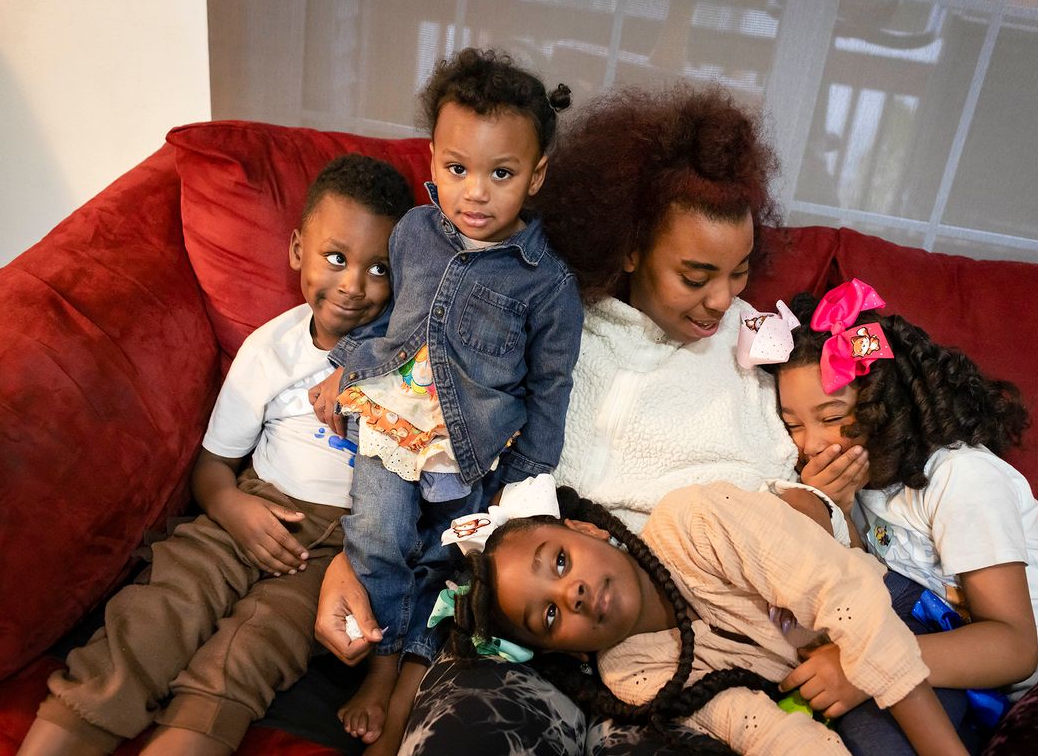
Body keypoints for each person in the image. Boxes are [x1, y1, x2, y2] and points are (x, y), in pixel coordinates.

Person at [315, 83, 845, 754]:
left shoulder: (751, 347)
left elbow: (805, 496)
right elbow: (438, 457)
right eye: (696, 274)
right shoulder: (551, 318)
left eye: (739, 273)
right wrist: (355, 564)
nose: (722, 300)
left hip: (692, 650)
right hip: (536, 634)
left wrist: (821, 512)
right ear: (630, 248)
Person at [17, 154, 412, 756]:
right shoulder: (270, 349)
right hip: (251, 508)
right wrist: (231, 508)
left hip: (336, 551)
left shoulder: (404, 360)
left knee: (252, 651)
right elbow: (212, 466)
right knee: (156, 613)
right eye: (336, 257)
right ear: (296, 250)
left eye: (378, 268)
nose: (354, 285)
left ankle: (187, 737)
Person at [307, 47, 585, 752]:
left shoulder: (547, 285)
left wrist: (529, 483)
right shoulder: (411, 234)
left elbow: (551, 387)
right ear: (431, 159)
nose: (476, 193)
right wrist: (346, 366)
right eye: (458, 169)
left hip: (474, 449)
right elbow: (390, 323)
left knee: (447, 567)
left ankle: (409, 682)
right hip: (392, 426)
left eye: (502, 173)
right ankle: (377, 665)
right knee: (377, 537)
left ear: (536, 175)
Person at [769, 280, 1038, 738]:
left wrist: (866, 665)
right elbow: (870, 595)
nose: (811, 444)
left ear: (883, 405)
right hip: (1009, 691)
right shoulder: (861, 487)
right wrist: (839, 510)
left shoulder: (960, 478)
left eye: (830, 418)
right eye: (792, 425)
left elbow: (1013, 644)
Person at [439, 482, 967, 756]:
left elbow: (847, 597)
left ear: (588, 530)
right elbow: (761, 732)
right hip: (831, 691)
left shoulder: (695, 520)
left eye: (559, 560)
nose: (571, 592)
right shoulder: (633, 676)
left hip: (891, 616)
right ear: (564, 651)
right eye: (549, 614)